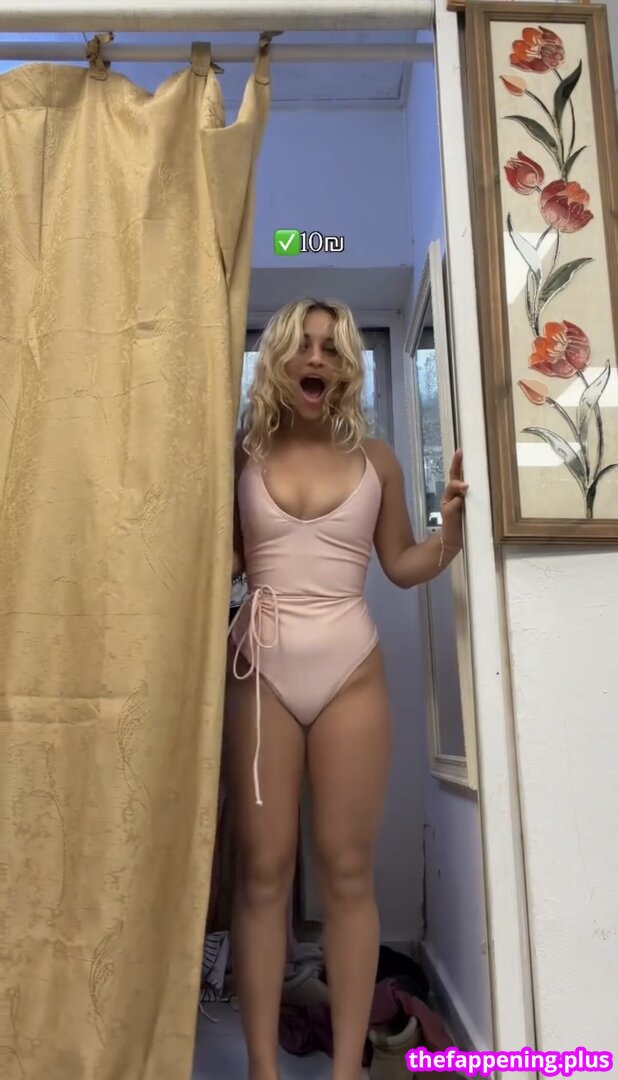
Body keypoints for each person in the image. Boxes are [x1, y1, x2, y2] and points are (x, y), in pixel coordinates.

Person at [224, 298, 467, 1080]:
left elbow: (402, 565)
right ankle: (261, 1068)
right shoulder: (244, 452)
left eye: (331, 348)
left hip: (349, 672)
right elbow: (226, 564)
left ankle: (345, 1072)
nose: (316, 359)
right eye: (303, 346)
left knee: (347, 870)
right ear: (279, 359)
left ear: (347, 366)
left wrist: (451, 533)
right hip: (259, 671)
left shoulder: (379, 459)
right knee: (263, 871)